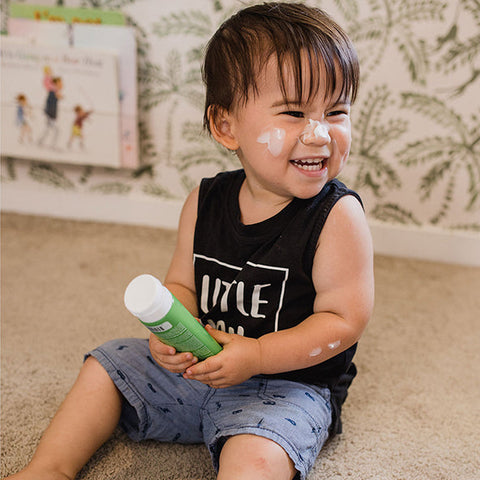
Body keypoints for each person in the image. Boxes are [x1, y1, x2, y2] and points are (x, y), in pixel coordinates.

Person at [6, 3, 374, 480]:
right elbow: (182, 283)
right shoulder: (205, 199)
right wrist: (170, 335)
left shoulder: (337, 216)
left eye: (337, 111)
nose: (320, 133)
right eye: (293, 112)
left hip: (286, 386)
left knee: (258, 457)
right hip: (202, 366)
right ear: (226, 126)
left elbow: (345, 321)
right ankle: (48, 469)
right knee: (107, 365)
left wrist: (258, 356)